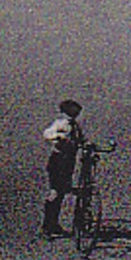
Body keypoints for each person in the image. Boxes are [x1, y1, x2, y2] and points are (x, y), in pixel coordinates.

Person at [41, 99, 84, 237]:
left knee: (62, 193)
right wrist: (58, 137)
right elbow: (47, 133)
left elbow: (80, 139)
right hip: (58, 161)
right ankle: (47, 226)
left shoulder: (74, 125)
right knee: (55, 192)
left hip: (68, 162)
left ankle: (53, 224)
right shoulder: (60, 124)